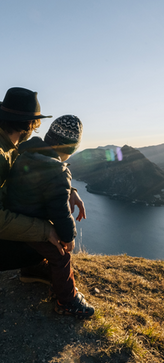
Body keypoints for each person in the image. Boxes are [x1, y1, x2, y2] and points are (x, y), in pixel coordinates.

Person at [5, 114, 94, 318]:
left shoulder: (23, 152)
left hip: (17, 219)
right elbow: (60, 211)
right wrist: (68, 237)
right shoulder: (57, 170)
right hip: (32, 223)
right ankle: (68, 301)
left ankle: (31, 271)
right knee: (60, 255)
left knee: (42, 242)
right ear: (69, 148)